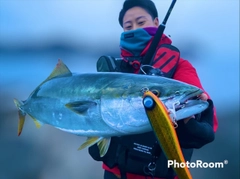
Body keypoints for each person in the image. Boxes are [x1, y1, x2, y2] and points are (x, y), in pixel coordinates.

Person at [89, 0, 218, 179]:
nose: (135, 29)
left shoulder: (180, 68)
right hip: (113, 174)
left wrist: (190, 120)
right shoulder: (117, 71)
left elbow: (207, 120)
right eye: (128, 26)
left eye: (141, 23)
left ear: (156, 23)